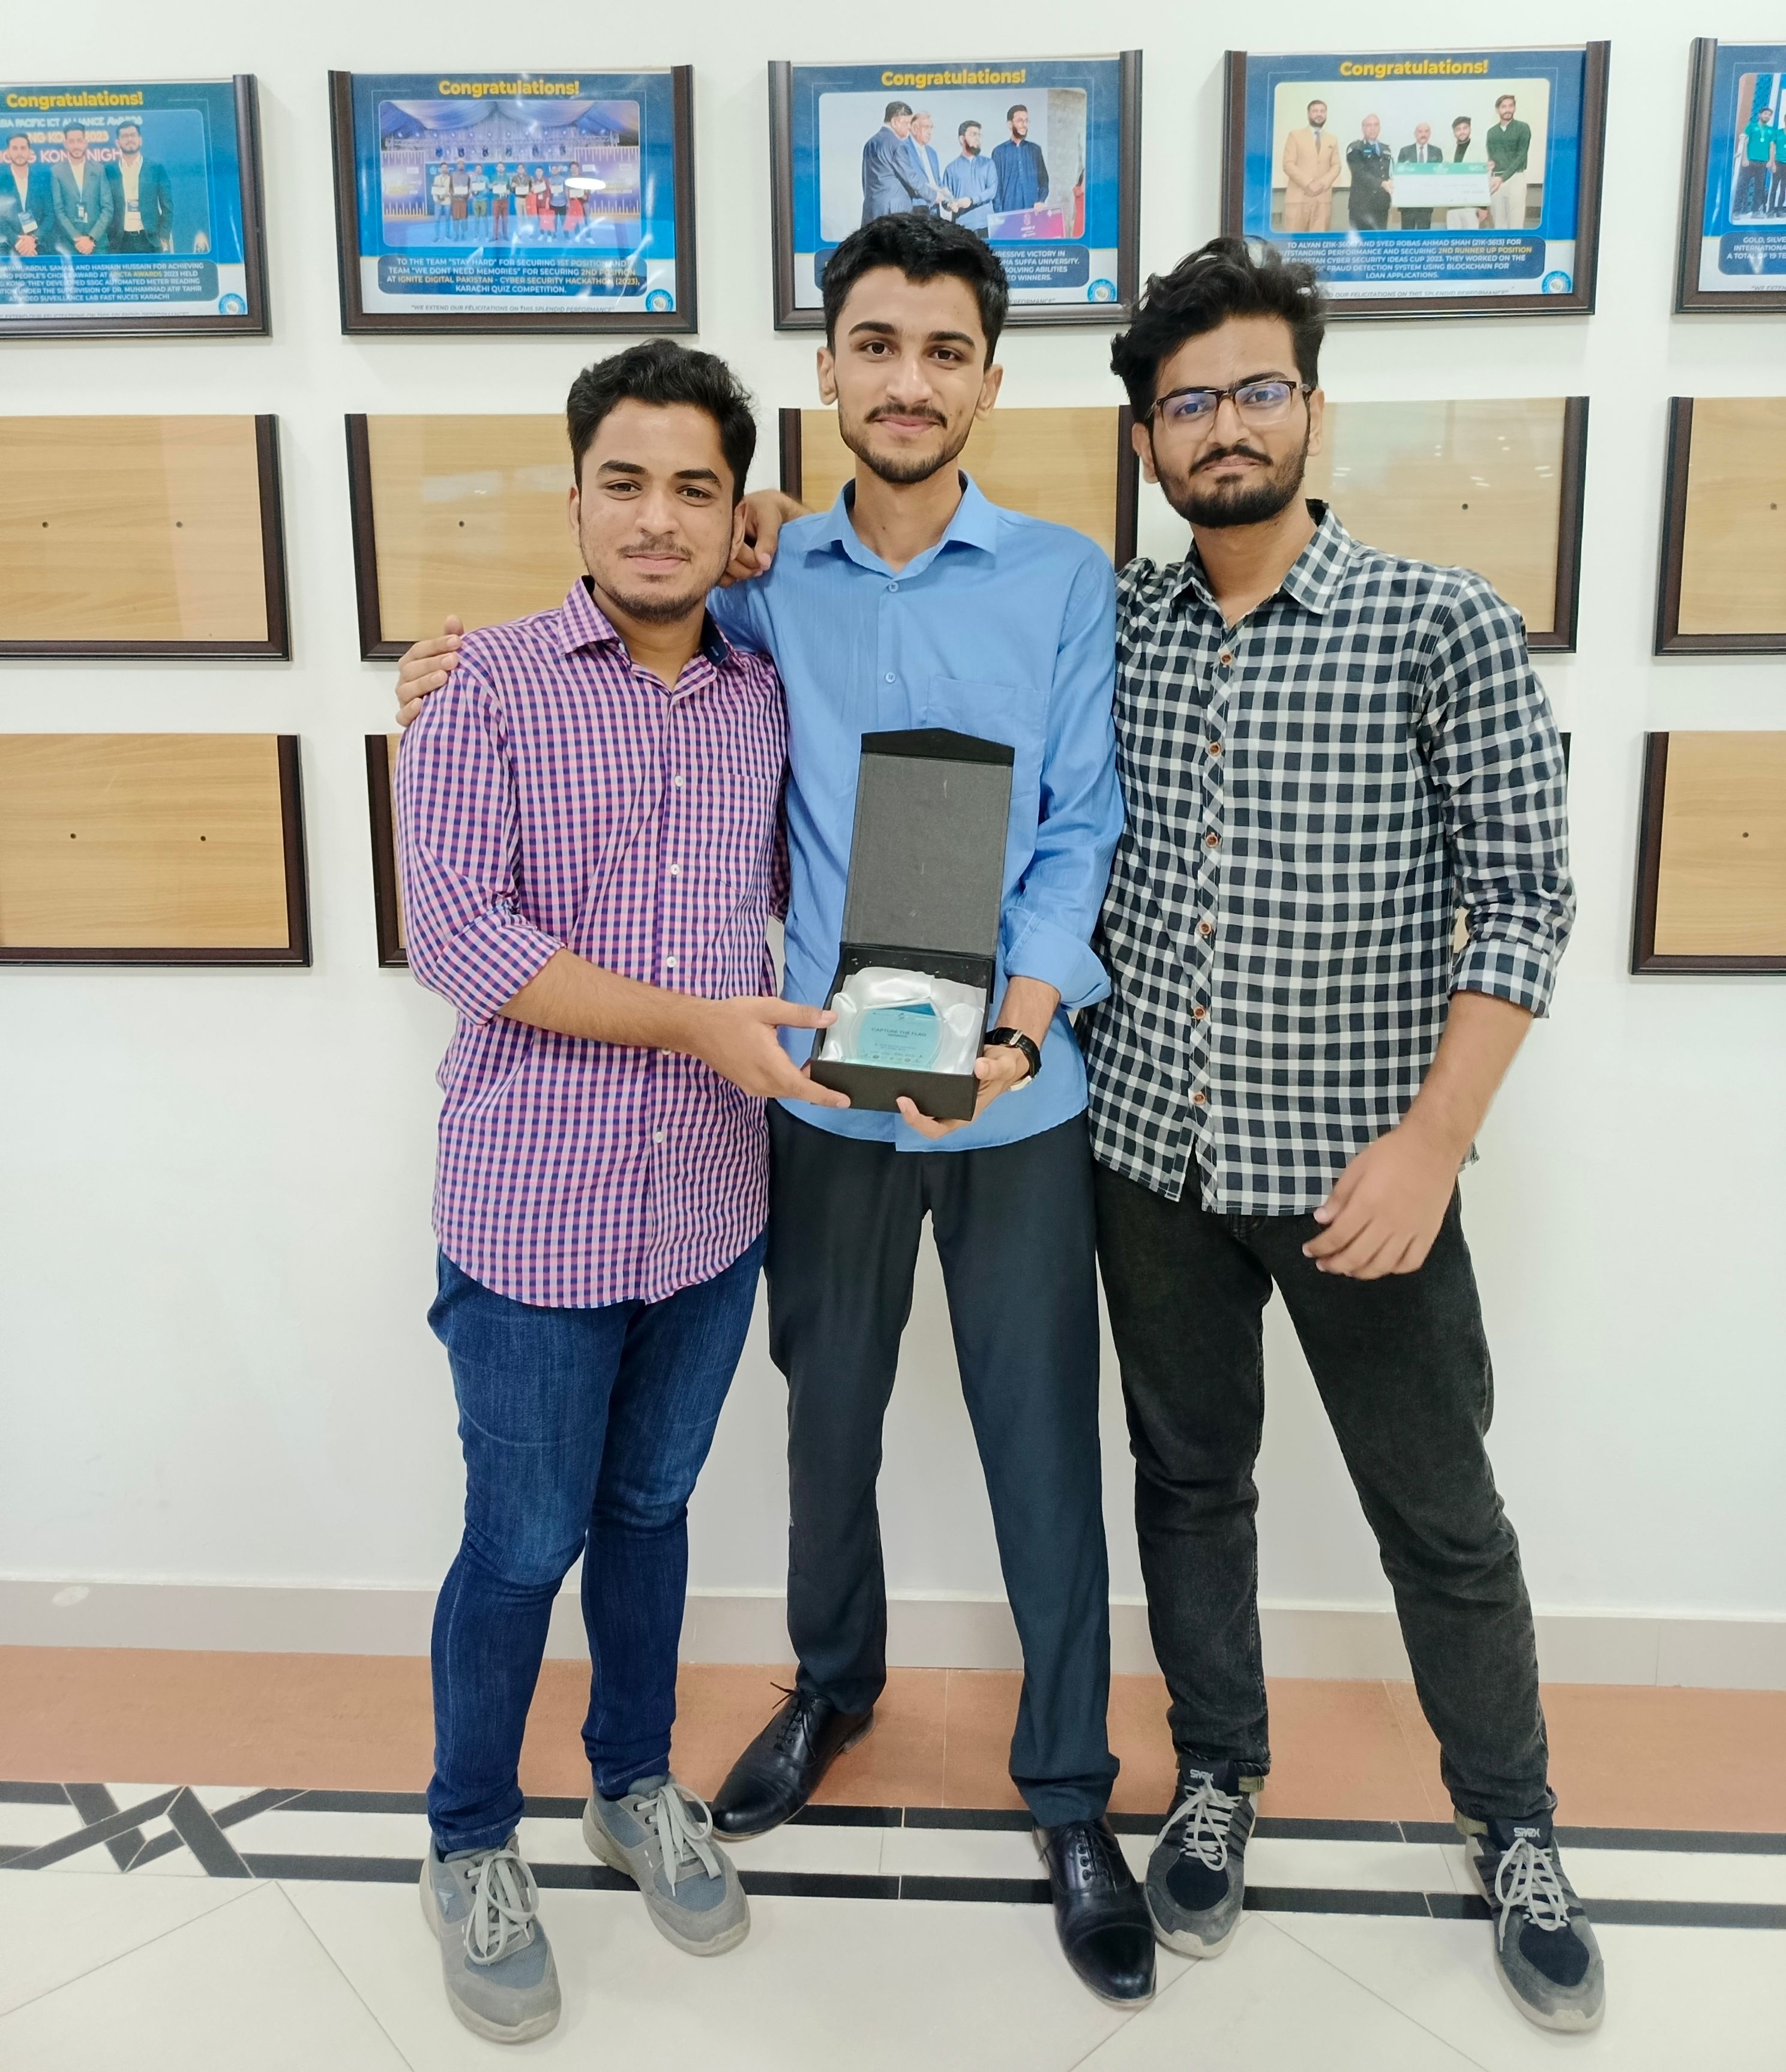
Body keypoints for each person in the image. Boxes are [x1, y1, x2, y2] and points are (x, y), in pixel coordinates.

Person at [392, 214, 1155, 2013]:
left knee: (1041, 1441)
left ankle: (1064, 1790)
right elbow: (601, 640)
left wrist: (1025, 1019)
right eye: (873, 345)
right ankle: (829, 1687)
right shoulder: (759, 581)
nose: (906, 378)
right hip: (804, 1095)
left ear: (984, 376)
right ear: (828, 374)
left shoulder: (1059, 579)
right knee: (824, 1433)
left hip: (1008, 1096)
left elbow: (1076, 827)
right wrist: (429, 675)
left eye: (942, 348)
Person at [1093, 238, 1603, 2036]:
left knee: (1439, 1518)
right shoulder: (1111, 624)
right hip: (1148, 1163)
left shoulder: (1432, 620)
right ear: (1145, 435)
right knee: (1189, 1486)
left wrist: (1430, 1142)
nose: (1221, 426)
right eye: (1184, 401)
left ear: (1308, 405)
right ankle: (1217, 1772)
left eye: (1254, 389)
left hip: (1361, 1181)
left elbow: (1522, 897)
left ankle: (1513, 1822)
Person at [397, 338, 852, 2045]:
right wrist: (693, 1022)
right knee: (520, 1540)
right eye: (625, 480)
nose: (657, 519)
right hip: (533, 1209)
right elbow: (460, 938)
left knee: (651, 1516)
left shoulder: (766, 682)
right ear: (572, 488)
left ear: (732, 507)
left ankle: (631, 1782)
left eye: (697, 486)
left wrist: (792, 528)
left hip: (711, 1208)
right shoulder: (481, 685)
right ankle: (466, 1837)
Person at [105, 121, 173, 253]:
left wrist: (164, 235)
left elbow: (168, 206)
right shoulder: (109, 170)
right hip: (119, 242)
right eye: (125, 136)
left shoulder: (156, 168)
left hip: (150, 241)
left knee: (153, 275)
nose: (129, 139)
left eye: (133, 135)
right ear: (118, 142)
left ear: (140, 140)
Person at [859, 101, 933, 224]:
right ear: (894, 122)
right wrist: (935, 196)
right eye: (907, 123)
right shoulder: (898, 145)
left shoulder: (871, 143)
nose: (910, 127)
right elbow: (911, 178)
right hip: (893, 211)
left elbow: (865, 179)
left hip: (871, 208)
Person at [49, 125, 112, 255]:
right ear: (65, 144)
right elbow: (58, 211)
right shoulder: (56, 172)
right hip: (70, 246)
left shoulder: (99, 170)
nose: (76, 145)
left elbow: (108, 209)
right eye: (72, 141)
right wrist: (78, 239)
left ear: (85, 143)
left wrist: (91, 238)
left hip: (97, 245)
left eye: (79, 141)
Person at [1280, 100, 1339, 232]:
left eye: (1322, 111)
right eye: (1315, 111)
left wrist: (1322, 184)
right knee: (1293, 245)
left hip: (1323, 200)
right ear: (1308, 114)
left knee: (1319, 245)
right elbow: (1288, 164)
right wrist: (1309, 183)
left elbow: (1336, 166)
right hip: (1298, 199)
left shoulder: (1332, 139)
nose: (1319, 114)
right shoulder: (1295, 136)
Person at [943, 118, 998, 237]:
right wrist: (949, 205)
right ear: (962, 139)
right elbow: (946, 198)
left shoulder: (988, 164)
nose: (978, 138)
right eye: (973, 135)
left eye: (979, 135)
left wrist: (971, 200)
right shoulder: (951, 169)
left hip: (986, 225)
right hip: (962, 226)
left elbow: (992, 191)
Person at [0, 133, 52, 257]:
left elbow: (50, 214)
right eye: (15, 148)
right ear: (8, 152)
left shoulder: (42, 179)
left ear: (29, 152)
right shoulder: (1, 180)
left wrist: (34, 239)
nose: (19, 153)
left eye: (23, 148)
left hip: (38, 248)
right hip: (7, 249)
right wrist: (17, 241)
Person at [991, 103, 1048, 214]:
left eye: (1026, 121)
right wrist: (1000, 214)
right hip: (1009, 213)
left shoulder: (1035, 150)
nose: (1024, 124)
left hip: (1033, 211)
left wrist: (1041, 200)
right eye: (1020, 121)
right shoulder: (999, 152)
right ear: (1010, 124)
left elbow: (1044, 180)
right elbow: (996, 188)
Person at [1486, 94, 1532, 231]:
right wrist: (1490, 165)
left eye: (1511, 106)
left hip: (1516, 178)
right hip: (1496, 180)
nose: (1508, 110)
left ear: (1515, 108)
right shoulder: (1491, 132)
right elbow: (1492, 156)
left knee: (1516, 224)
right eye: (1504, 107)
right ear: (1498, 110)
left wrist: (1503, 178)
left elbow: (1521, 157)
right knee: (1499, 224)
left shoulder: (1523, 128)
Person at [1345, 113, 1392, 230]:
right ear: (1363, 128)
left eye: (1376, 125)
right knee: (1362, 244)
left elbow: (1388, 173)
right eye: (1369, 125)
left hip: (1381, 205)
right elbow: (1359, 173)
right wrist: (1382, 184)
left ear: (1379, 128)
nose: (1373, 128)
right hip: (1361, 206)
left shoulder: (1386, 149)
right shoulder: (1356, 148)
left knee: (1379, 242)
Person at [1395, 119, 1443, 229]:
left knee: (1424, 235)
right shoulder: (1405, 151)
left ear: (1430, 134)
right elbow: (1399, 176)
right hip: (1408, 203)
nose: (1423, 134)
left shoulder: (1437, 152)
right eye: (1420, 132)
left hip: (1426, 202)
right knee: (1407, 237)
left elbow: (1438, 176)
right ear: (1415, 134)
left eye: (1426, 132)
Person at [1447, 116, 1487, 230]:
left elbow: (1483, 178)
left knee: (1471, 242)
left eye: (1465, 128)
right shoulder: (1448, 152)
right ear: (1454, 133)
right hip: (1452, 206)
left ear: (1470, 129)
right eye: (1458, 129)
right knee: (1453, 241)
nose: (1462, 132)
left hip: (1472, 206)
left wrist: (1483, 207)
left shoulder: (1480, 150)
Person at [1736, 102, 1775, 217]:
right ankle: (1737, 210)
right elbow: (1745, 143)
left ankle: (1756, 211)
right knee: (1743, 185)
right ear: (1760, 115)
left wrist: (1771, 161)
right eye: (1765, 114)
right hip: (1750, 161)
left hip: (1763, 163)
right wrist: (1744, 158)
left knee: (1759, 188)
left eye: (1769, 115)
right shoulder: (1751, 126)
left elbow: (1772, 146)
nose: (1767, 116)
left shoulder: (1771, 130)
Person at [909, 112, 945, 216]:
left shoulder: (932, 153)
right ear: (915, 129)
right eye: (926, 127)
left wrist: (945, 192)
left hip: (934, 208)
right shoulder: (904, 149)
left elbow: (937, 180)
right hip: (916, 208)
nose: (930, 132)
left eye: (931, 128)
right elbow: (911, 180)